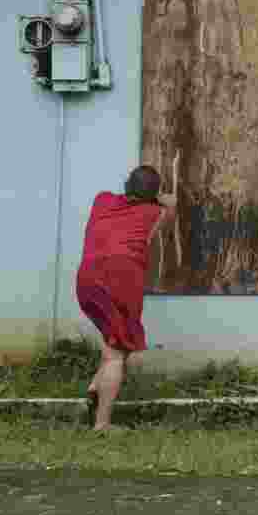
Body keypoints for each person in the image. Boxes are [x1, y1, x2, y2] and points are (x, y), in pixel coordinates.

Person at [76, 166, 177, 431]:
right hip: (119, 281)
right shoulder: (156, 212)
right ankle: (102, 425)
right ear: (155, 193)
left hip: (87, 282)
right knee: (115, 354)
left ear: (127, 185)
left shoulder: (102, 200)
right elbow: (166, 223)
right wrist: (169, 204)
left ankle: (95, 390)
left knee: (117, 341)